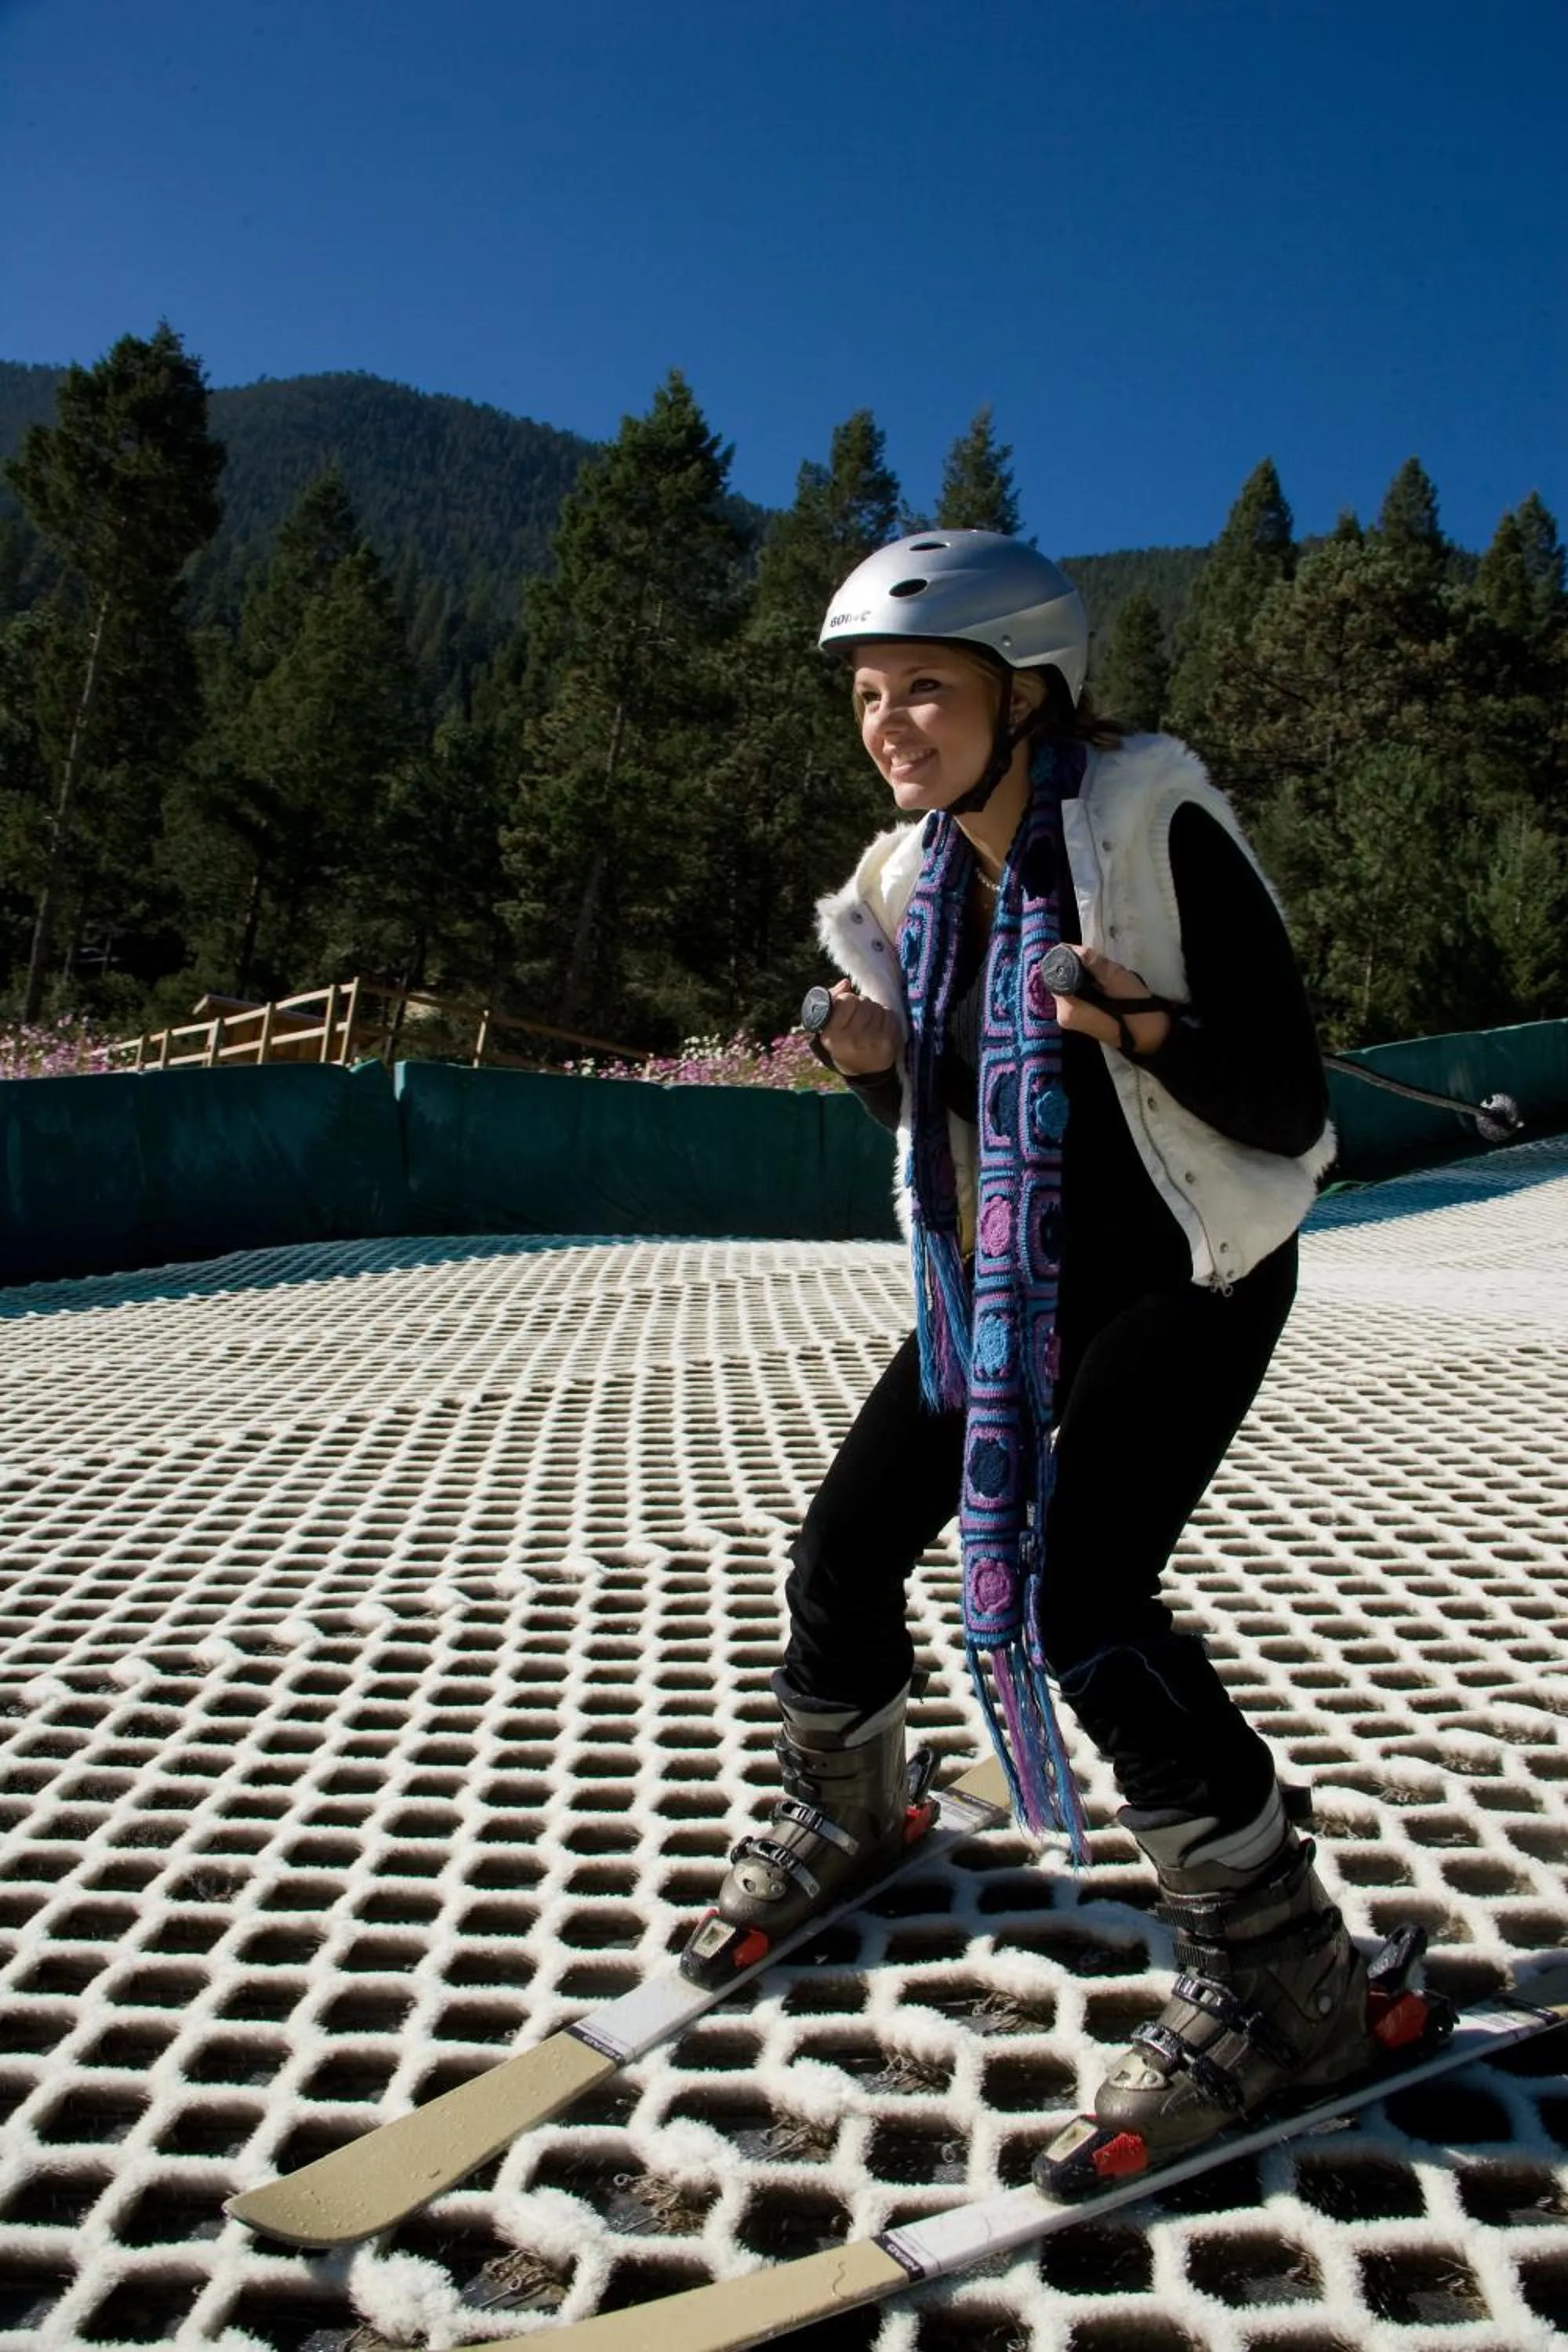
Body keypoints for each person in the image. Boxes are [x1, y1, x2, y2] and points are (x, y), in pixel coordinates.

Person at [681, 528, 1377, 2181]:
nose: (890, 723)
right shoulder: (908, 881)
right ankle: (851, 1806)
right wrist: (869, 1056)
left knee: (1087, 1605)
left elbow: (1287, 1107)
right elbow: (939, 1115)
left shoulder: (1147, 822)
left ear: (1026, 690)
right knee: (844, 1544)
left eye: (925, 688)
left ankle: (1288, 1983)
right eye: (867, 695)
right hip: (1007, 1280)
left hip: (1191, 1266)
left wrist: (1136, 1023)